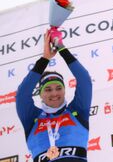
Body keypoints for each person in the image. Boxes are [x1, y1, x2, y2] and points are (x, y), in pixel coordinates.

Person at [16, 28, 92, 161]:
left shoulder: (77, 110)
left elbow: (84, 80)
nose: (54, 93)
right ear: (40, 94)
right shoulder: (32, 117)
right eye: (48, 89)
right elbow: (22, 95)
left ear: (64, 90)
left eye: (58, 88)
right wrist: (45, 59)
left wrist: (62, 49)